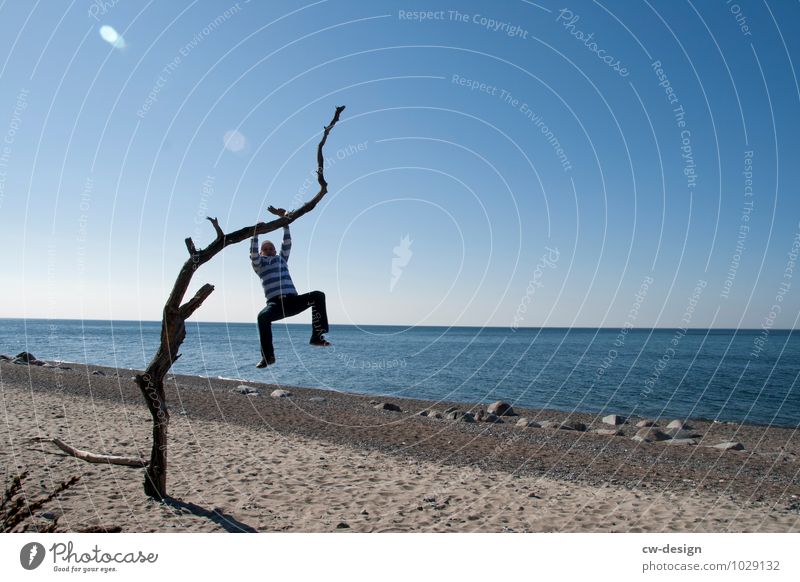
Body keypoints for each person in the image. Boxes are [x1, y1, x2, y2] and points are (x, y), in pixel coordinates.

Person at [250, 206, 330, 368]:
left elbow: (287, 242)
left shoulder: (281, 259)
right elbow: (252, 253)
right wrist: (256, 233)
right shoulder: (259, 265)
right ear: (261, 253)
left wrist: (284, 222)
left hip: (293, 301)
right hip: (275, 305)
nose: (269, 250)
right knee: (262, 317)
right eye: (265, 249)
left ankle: (317, 336)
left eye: (271, 248)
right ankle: (268, 357)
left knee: (318, 295)